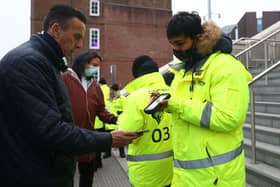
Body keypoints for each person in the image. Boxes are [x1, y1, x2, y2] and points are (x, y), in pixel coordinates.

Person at [0, 4, 139, 187]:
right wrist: (109, 139)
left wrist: (113, 120)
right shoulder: (30, 63)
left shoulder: (47, 63)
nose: (80, 44)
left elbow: (92, 110)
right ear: (56, 30)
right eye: (77, 37)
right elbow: (51, 130)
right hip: (34, 175)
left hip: (57, 162)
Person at [159, 11, 252, 186]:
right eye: (172, 45)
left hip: (217, 178)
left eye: (180, 43)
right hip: (184, 177)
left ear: (199, 37)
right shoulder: (184, 70)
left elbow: (228, 118)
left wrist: (176, 105)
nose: (176, 50)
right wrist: (165, 104)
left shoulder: (226, 67)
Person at [62, 51, 118, 187]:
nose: (95, 69)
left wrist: (113, 119)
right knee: (65, 175)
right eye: (93, 65)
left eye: (97, 66)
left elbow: (100, 110)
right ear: (82, 63)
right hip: (67, 136)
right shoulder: (64, 79)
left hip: (88, 138)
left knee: (87, 175)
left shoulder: (95, 87)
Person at [118, 55, 173, 187]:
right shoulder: (174, 92)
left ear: (137, 75)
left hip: (146, 173)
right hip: (174, 168)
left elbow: (128, 134)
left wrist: (120, 120)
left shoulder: (135, 98)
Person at [105, 83, 126, 158]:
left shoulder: (122, 99)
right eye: (110, 90)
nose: (110, 92)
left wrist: (120, 113)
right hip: (109, 123)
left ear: (115, 91)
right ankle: (107, 153)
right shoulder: (108, 99)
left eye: (111, 90)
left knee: (119, 139)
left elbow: (126, 109)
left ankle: (122, 153)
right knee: (107, 139)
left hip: (117, 122)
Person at [94, 77, 110, 167]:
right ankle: (104, 156)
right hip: (104, 118)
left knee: (94, 144)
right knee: (102, 141)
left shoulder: (97, 89)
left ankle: (96, 163)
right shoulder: (108, 89)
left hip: (95, 121)